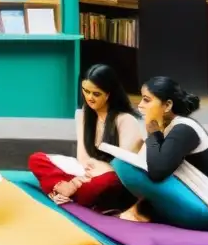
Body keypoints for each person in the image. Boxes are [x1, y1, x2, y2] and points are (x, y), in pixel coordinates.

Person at [116, 76, 208, 232]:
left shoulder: (184, 128)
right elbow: (148, 161)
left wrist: (153, 132)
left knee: (125, 167)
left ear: (167, 105)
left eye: (147, 100)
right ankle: (142, 211)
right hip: (199, 198)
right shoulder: (168, 128)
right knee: (122, 163)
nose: (140, 105)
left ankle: (144, 212)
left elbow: (157, 172)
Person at [28, 63, 142, 211]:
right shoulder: (83, 114)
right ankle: (65, 191)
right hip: (87, 170)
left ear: (109, 93)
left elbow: (124, 167)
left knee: (99, 186)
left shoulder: (125, 119)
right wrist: (80, 177)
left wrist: (76, 183)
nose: (89, 98)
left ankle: (63, 190)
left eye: (96, 94)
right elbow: (82, 157)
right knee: (37, 159)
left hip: (113, 175)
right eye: (85, 91)